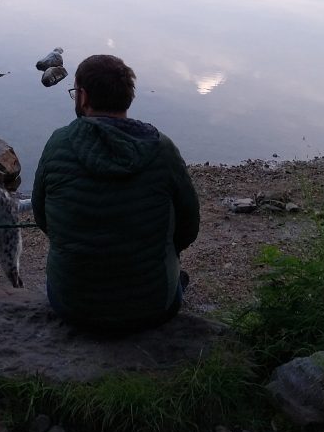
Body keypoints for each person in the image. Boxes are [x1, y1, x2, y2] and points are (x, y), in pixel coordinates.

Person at [32, 54, 200, 332]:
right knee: (173, 274)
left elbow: (42, 217)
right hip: (153, 307)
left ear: (83, 97)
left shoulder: (58, 144)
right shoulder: (162, 149)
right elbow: (189, 226)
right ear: (127, 97)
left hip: (72, 305)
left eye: (74, 91)